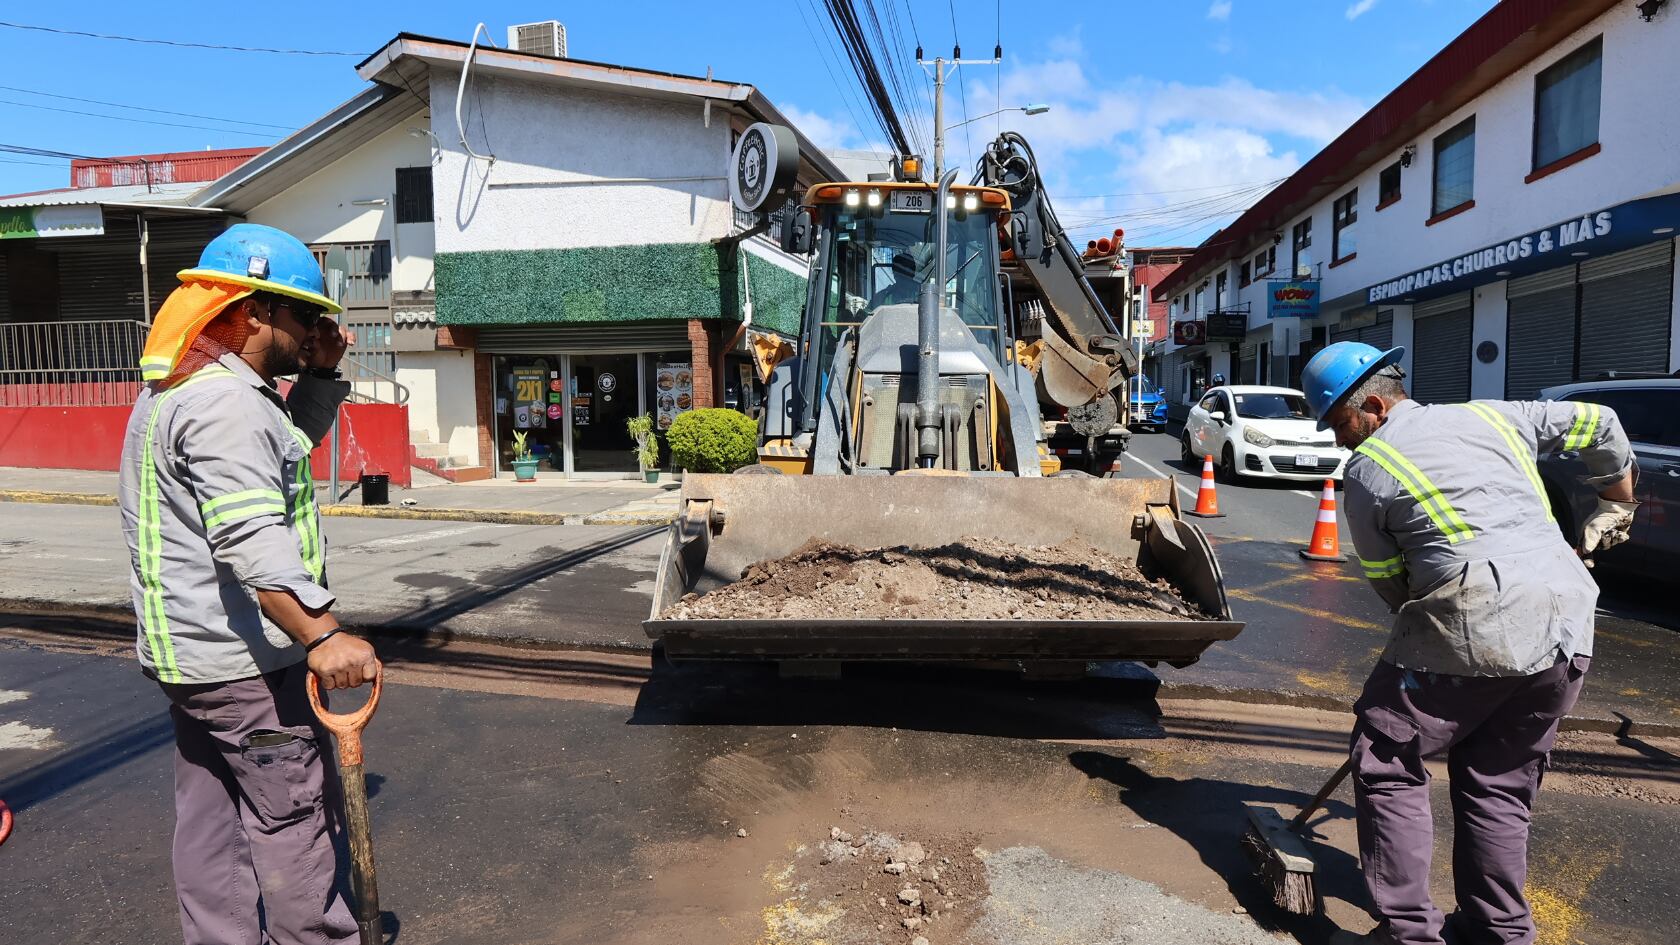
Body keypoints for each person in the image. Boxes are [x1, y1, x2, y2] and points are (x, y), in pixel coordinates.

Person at [1302, 342, 1636, 945]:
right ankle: (1499, 930)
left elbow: (1390, 585)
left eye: (1339, 423)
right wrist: (1617, 501)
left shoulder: (1369, 470)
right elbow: (1603, 423)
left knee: (1386, 757)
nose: (1338, 440)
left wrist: (1431, 615)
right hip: (1567, 621)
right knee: (1498, 778)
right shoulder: (1496, 415)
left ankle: (1409, 934)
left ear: (1373, 406)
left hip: (1478, 618)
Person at [118, 223, 380, 945]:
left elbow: (278, 456)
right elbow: (250, 532)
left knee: (210, 825)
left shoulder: (184, 389)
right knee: (294, 822)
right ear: (253, 312)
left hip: (192, 663)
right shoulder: (226, 404)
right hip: (245, 669)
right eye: (305, 316)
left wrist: (320, 377)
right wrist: (321, 634)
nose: (317, 329)